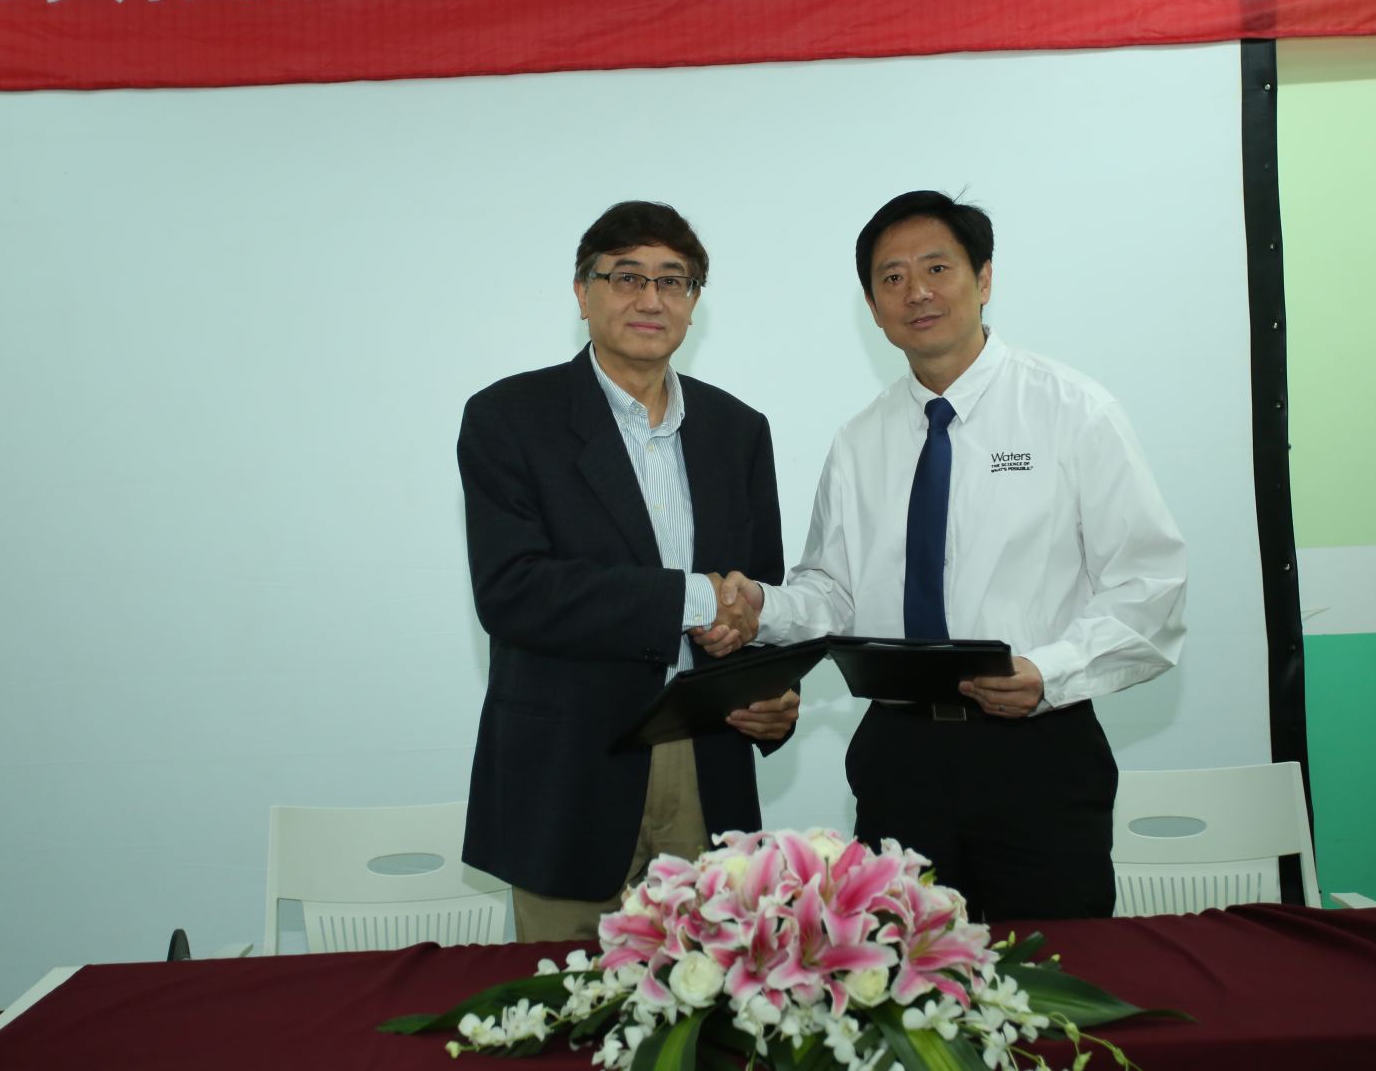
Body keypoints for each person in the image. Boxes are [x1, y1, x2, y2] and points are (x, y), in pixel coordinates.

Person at [710, 190, 1186, 921]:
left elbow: (1150, 589)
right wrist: (763, 606)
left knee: (1050, 976)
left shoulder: (1073, 411)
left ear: (984, 278)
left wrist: (1049, 672)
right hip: (899, 756)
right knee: (898, 975)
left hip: (1038, 749)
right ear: (873, 307)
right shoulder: (860, 441)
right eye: (892, 277)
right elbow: (834, 592)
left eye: (937, 268)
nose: (917, 292)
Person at [457, 200, 799, 943]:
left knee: (719, 994)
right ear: (583, 293)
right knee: (564, 1000)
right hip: (570, 773)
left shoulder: (738, 430)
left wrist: (773, 696)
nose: (651, 298)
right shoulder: (509, 417)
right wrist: (693, 598)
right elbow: (514, 591)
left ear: (694, 303)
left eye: (673, 281)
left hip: (707, 763)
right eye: (626, 277)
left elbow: (757, 597)